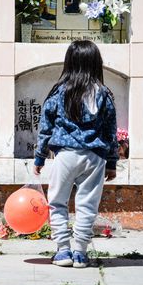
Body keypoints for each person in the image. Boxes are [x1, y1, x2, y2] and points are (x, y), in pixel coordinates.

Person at [33, 40, 119, 268]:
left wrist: (40, 157)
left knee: (58, 202)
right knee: (87, 205)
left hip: (65, 156)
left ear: (69, 63)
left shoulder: (58, 92)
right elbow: (110, 131)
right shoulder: (104, 94)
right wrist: (111, 162)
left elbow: (46, 128)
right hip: (94, 158)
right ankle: (80, 252)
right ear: (95, 63)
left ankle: (63, 251)